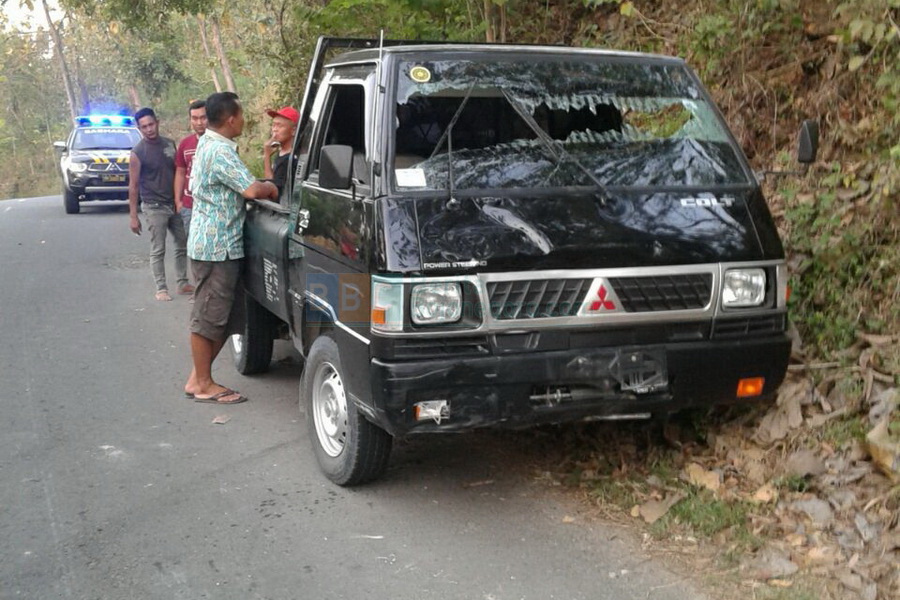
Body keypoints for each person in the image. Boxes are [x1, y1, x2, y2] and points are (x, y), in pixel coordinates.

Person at [183, 92, 278, 404]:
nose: (244, 120)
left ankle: (198, 377)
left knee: (225, 316)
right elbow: (251, 189)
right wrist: (270, 187)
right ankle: (204, 384)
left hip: (222, 244)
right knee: (207, 316)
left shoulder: (209, 145)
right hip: (216, 247)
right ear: (230, 119)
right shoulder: (219, 150)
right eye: (241, 115)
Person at [129, 107, 193, 302]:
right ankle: (161, 287)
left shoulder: (170, 144)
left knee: (183, 242)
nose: (149, 129)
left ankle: (182, 282)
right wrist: (133, 216)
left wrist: (180, 199)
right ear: (139, 129)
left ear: (157, 122)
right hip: (153, 205)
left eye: (151, 124)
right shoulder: (138, 152)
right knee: (158, 247)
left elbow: (180, 172)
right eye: (144, 127)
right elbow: (133, 185)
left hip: (174, 203)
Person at [174, 99, 208, 235]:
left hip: (210, 207)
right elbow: (180, 172)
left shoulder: (220, 143)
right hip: (189, 206)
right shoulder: (185, 144)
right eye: (195, 118)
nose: (199, 123)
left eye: (203, 117)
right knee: (192, 248)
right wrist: (178, 201)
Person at [263, 106, 299, 194]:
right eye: (273, 125)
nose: (275, 129)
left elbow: (272, 190)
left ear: (293, 131)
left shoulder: (290, 159)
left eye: (280, 126)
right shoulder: (280, 153)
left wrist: (267, 157)